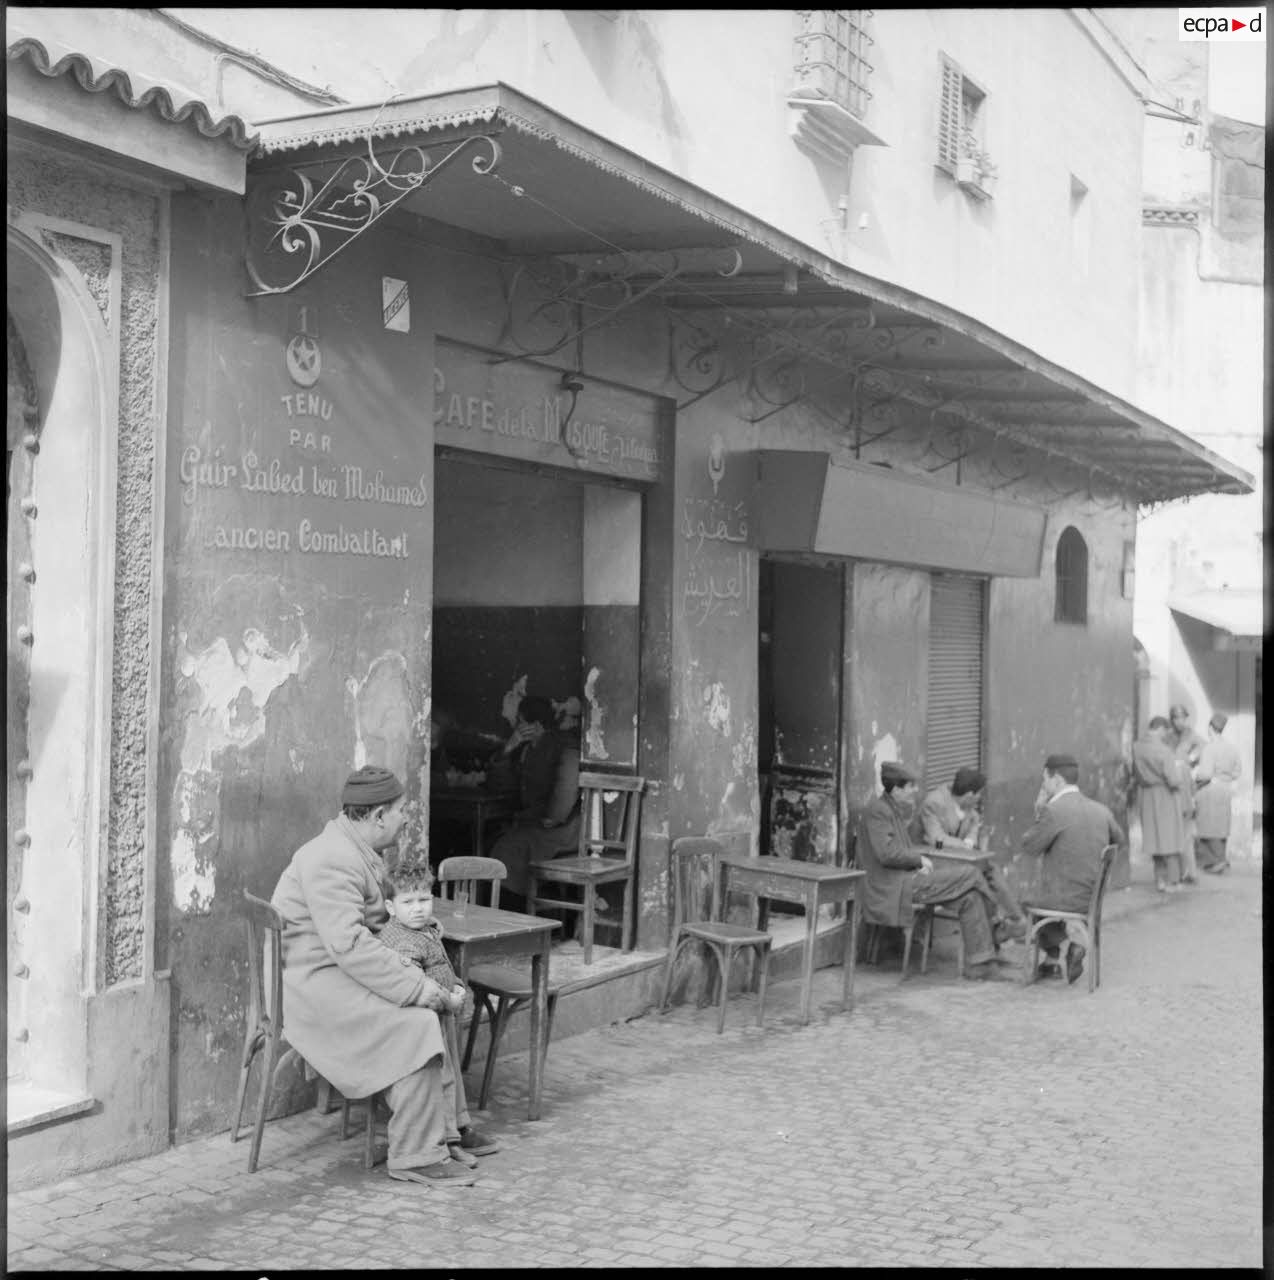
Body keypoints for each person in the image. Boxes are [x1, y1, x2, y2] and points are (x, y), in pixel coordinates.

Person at [270, 765, 497, 1187]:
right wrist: (414, 986)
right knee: (417, 1018)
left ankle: (447, 1128)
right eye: (400, 810)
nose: (406, 817)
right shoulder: (331, 859)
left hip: (334, 973)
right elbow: (350, 945)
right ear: (376, 817)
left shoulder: (347, 848)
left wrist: (423, 965)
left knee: (439, 998)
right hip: (316, 990)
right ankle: (414, 1154)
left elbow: (367, 933)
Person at [378, 861, 493, 1168]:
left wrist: (454, 984)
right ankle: (445, 1141)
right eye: (408, 902)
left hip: (442, 1014)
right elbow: (417, 985)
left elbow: (439, 967)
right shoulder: (402, 942)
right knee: (439, 1079)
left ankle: (457, 1130)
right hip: (423, 1020)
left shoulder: (425, 930)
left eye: (424, 900)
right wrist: (449, 999)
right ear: (390, 906)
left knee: (451, 1074)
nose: (418, 908)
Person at [859, 761, 1007, 980]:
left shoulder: (890, 809)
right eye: (911, 786)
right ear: (897, 789)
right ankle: (998, 924)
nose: (915, 791)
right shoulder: (878, 811)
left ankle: (980, 963)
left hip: (907, 880)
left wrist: (918, 860)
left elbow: (898, 849)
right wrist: (918, 859)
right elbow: (886, 854)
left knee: (971, 897)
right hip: (894, 886)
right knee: (971, 873)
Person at [1019, 752, 1125, 985]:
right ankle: (1074, 939)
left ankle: (1053, 956)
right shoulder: (1101, 810)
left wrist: (1039, 810)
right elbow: (1119, 839)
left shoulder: (1053, 811)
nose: (1043, 785)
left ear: (1056, 780)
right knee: (1059, 892)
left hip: (1063, 901)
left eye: (1044, 780)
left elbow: (1029, 846)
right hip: (1092, 899)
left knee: (1027, 900)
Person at [487, 695, 580, 907]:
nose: (517, 727)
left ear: (536, 725)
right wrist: (508, 749)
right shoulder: (527, 749)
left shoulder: (563, 746)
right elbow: (502, 784)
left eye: (520, 722)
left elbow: (569, 780)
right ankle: (506, 911)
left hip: (563, 829)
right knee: (496, 842)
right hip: (536, 823)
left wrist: (555, 816)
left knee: (509, 848)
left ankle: (514, 915)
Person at [916, 766, 1025, 937]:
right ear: (969, 795)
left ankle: (1011, 921)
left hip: (960, 862)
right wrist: (963, 845)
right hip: (934, 864)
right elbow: (936, 838)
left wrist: (972, 840)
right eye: (979, 793)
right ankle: (1008, 923)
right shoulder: (934, 803)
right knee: (982, 877)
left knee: (989, 869)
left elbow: (974, 828)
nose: (980, 797)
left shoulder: (971, 810)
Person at [1132, 717, 1188, 893]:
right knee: (1170, 838)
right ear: (1160, 729)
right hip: (1165, 795)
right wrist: (1181, 778)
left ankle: (1160, 881)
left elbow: (1133, 771)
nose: (1166, 735)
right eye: (1165, 731)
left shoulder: (1136, 747)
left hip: (1146, 795)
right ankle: (1174, 881)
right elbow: (1173, 779)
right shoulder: (1164, 751)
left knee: (1154, 838)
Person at [1193, 712, 1241, 875]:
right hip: (1225, 789)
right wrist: (1225, 778)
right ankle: (1220, 858)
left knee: (1208, 826)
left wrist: (1195, 777)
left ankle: (1214, 862)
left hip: (1210, 789)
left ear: (1210, 728)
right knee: (1221, 826)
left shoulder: (1209, 748)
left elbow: (1205, 774)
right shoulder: (1232, 748)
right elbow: (1237, 772)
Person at [1167, 704, 1206, 885]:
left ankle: (1190, 872)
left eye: (1182, 718)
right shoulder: (1167, 736)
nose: (1179, 721)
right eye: (1175, 718)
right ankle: (1178, 872)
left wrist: (1191, 759)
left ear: (1186, 718)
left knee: (1187, 834)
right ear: (1172, 719)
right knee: (1174, 834)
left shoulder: (1191, 735)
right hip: (1170, 788)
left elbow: (1202, 746)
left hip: (1185, 786)